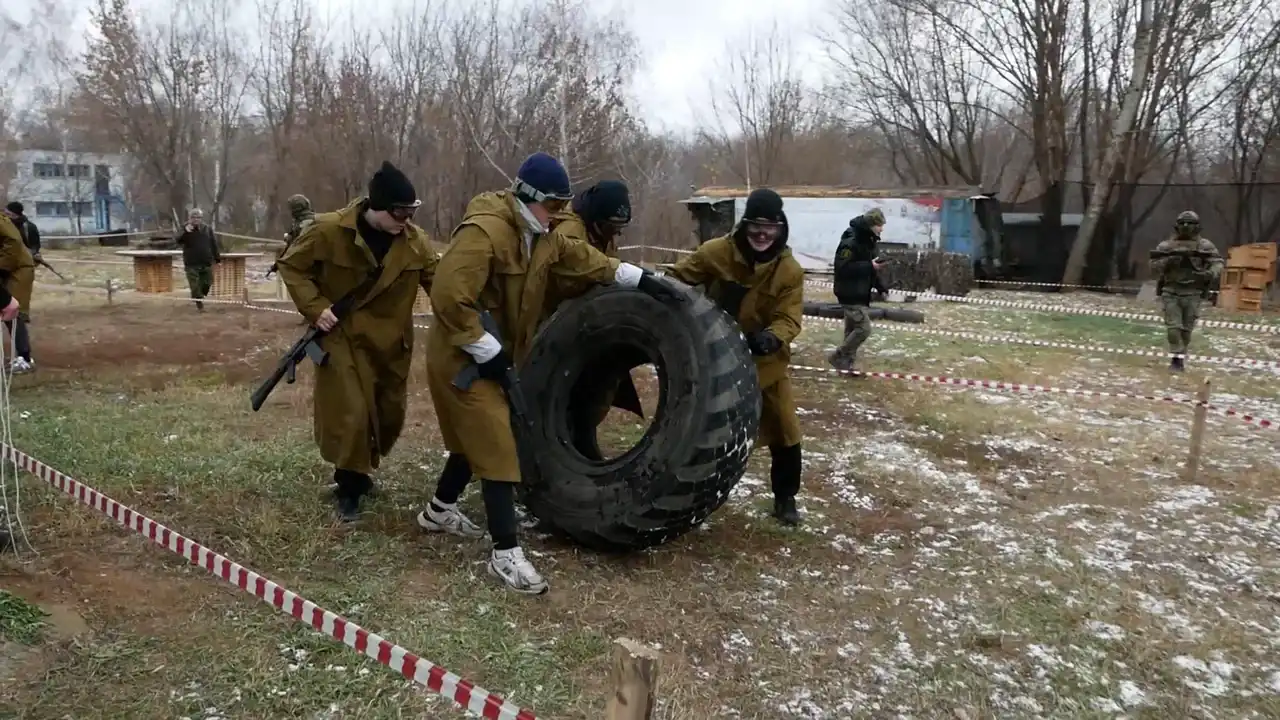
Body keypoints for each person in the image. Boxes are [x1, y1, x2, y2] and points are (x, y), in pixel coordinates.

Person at [419, 152, 667, 595]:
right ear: (526, 197)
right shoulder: (484, 232)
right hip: (460, 356)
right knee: (498, 442)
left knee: (472, 439)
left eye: (562, 208)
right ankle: (505, 555)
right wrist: (484, 347)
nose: (557, 217)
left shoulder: (547, 234)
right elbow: (448, 295)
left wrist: (638, 278)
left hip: (496, 354)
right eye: (551, 206)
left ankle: (438, 512)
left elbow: (584, 259)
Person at [276, 161, 437, 521]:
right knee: (350, 411)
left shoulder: (415, 242)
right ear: (377, 206)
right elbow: (292, 265)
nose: (405, 220)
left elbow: (439, 282)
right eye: (399, 212)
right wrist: (316, 308)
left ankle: (359, 473)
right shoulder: (328, 230)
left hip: (391, 343)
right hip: (342, 337)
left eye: (411, 212)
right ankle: (348, 486)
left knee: (386, 413)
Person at [665, 188, 806, 526]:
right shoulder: (716, 252)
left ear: (780, 228)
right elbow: (675, 278)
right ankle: (688, 494)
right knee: (702, 429)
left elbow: (789, 318)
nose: (761, 233)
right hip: (714, 361)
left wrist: (772, 338)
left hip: (766, 365)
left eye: (769, 227)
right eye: (755, 225)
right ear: (744, 224)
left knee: (786, 429)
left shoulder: (789, 271)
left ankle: (785, 498)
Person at [541, 179, 643, 458]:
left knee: (595, 390)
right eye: (612, 225)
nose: (616, 233)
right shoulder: (572, 230)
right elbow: (575, 272)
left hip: (586, 328)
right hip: (552, 327)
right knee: (557, 401)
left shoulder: (603, 235)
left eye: (620, 227)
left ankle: (581, 443)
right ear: (597, 218)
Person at [1150, 210, 1223, 372]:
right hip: (1171, 290)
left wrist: (1208, 274)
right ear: (1177, 225)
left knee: (1186, 330)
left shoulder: (1205, 246)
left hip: (1193, 292)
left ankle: (1180, 357)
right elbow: (1154, 266)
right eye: (1183, 223)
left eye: (1190, 223)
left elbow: (1217, 263)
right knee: (1173, 328)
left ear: (1197, 226)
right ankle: (1175, 358)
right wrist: (1170, 260)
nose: (1186, 226)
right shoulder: (1167, 246)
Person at [828, 208, 888, 372]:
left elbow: (870, 267)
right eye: (879, 225)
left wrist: (880, 286)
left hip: (860, 292)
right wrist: (870, 266)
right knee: (863, 329)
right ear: (871, 225)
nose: (881, 229)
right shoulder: (851, 240)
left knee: (852, 330)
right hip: (849, 292)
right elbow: (842, 267)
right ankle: (838, 355)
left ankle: (846, 365)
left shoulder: (869, 240)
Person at [1, 202, 38, 372]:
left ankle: (24, 358)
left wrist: (1, 266)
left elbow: (13, 242)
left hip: (19, 269)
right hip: (8, 268)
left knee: (14, 312)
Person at [176, 208, 221, 311]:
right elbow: (177, 241)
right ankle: (199, 304)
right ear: (190, 218)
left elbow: (213, 244)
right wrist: (186, 232)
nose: (196, 219)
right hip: (191, 263)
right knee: (195, 285)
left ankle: (199, 296)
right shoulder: (184, 228)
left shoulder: (207, 228)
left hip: (206, 261)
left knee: (207, 283)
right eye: (193, 217)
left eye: (198, 217)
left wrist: (217, 259)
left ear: (201, 219)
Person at [268, 194, 316, 278]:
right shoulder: (318, 219)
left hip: (309, 267)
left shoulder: (300, 225)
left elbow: (290, 249)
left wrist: (277, 265)